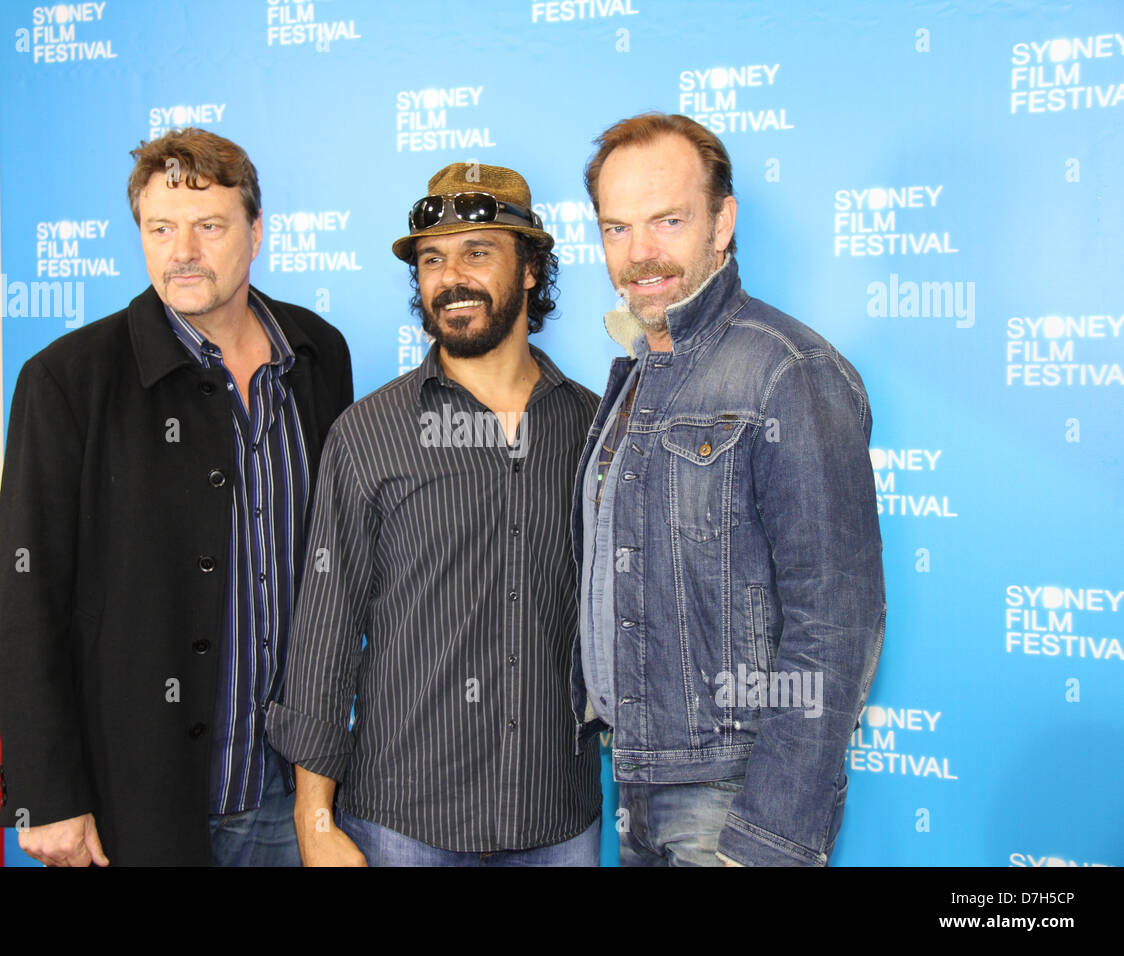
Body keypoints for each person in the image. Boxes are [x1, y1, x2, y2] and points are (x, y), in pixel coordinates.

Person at [0, 128, 353, 866]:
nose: (182, 251)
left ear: (256, 234)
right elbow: (28, 604)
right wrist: (46, 791)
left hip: (292, 799)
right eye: (161, 228)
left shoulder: (318, 354)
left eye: (209, 226)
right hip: (139, 801)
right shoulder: (67, 382)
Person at [268, 163, 602, 866]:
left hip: (559, 818)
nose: (451, 277)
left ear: (532, 269)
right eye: (431, 259)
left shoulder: (593, 430)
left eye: (477, 252)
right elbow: (326, 632)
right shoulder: (368, 434)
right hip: (402, 827)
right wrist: (314, 819)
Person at [575, 112, 885, 867]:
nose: (639, 254)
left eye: (667, 221)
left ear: (723, 223)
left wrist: (766, 842)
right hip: (641, 785)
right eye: (617, 229)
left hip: (732, 805)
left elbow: (837, 623)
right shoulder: (637, 374)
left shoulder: (786, 371)